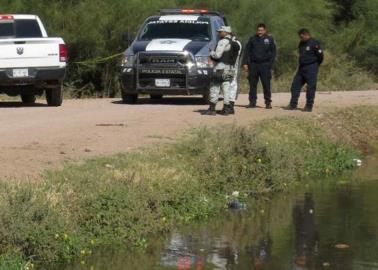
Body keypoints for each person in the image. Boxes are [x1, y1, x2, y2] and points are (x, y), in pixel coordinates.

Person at [203, 26, 238, 116]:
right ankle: (226, 109)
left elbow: (217, 55)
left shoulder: (222, 41)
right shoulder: (234, 42)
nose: (219, 33)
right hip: (230, 68)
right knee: (226, 88)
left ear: (226, 32)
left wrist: (211, 52)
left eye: (220, 32)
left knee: (214, 87)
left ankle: (212, 109)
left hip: (220, 68)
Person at [287, 28, 324, 112]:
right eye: (300, 37)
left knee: (310, 87)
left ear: (306, 34)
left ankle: (309, 106)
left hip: (311, 67)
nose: (301, 38)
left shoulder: (314, 43)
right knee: (295, 86)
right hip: (302, 68)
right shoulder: (301, 43)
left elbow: (320, 56)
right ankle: (293, 104)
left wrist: (315, 65)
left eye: (302, 36)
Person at [243, 23, 276, 109]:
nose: (260, 32)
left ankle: (268, 102)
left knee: (266, 84)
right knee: (252, 84)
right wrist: (245, 63)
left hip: (265, 65)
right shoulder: (252, 39)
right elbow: (247, 51)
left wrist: (270, 64)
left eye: (261, 30)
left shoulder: (269, 39)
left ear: (265, 30)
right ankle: (252, 102)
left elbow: (273, 52)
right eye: (258, 30)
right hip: (253, 65)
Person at [229, 34, 243, 115]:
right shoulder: (230, 42)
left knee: (232, 84)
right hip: (228, 67)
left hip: (232, 68)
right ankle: (228, 106)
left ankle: (230, 106)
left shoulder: (235, 43)